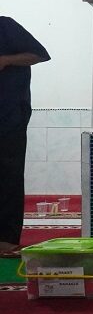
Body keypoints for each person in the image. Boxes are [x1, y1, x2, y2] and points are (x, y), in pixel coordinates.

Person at [0, 16, 49, 258]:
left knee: (8, 175)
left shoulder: (5, 26)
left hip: (9, 116)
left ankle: (6, 241)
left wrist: (6, 60)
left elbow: (39, 54)